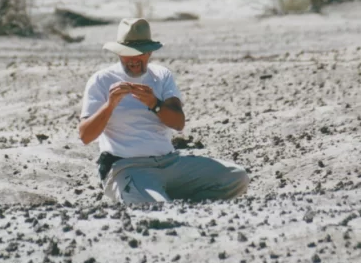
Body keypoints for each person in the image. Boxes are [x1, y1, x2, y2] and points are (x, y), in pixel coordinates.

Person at [78, 18, 249, 204]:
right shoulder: (101, 80)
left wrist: (154, 103)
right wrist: (110, 105)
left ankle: (183, 204)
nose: (134, 59)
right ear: (118, 53)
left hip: (170, 163)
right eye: (128, 54)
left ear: (150, 52)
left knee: (237, 177)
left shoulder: (161, 76)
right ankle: (159, 199)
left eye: (140, 53)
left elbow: (178, 123)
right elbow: (86, 136)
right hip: (127, 166)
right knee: (157, 209)